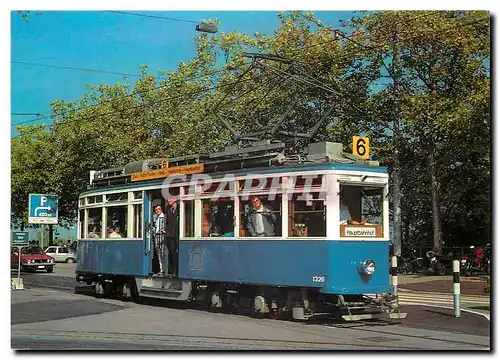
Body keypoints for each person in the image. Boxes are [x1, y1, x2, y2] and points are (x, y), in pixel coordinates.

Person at [165, 199, 179, 278]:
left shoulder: (180, 207)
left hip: (177, 234)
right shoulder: (167, 208)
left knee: (176, 253)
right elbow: (167, 221)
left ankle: (176, 271)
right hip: (170, 234)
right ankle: (172, 271)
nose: (168, 200)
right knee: (171, 253)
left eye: (170, 198)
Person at [153, 204, 166, 275]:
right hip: (157, 236)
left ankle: (164, 268)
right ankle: (161, 269)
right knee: (159, 254)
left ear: (161, 210)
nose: (157, 211)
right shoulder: (156, 217)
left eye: (158, 209)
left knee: (162, 253)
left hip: (161, 236)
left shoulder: (163, 217)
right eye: (156, 210)